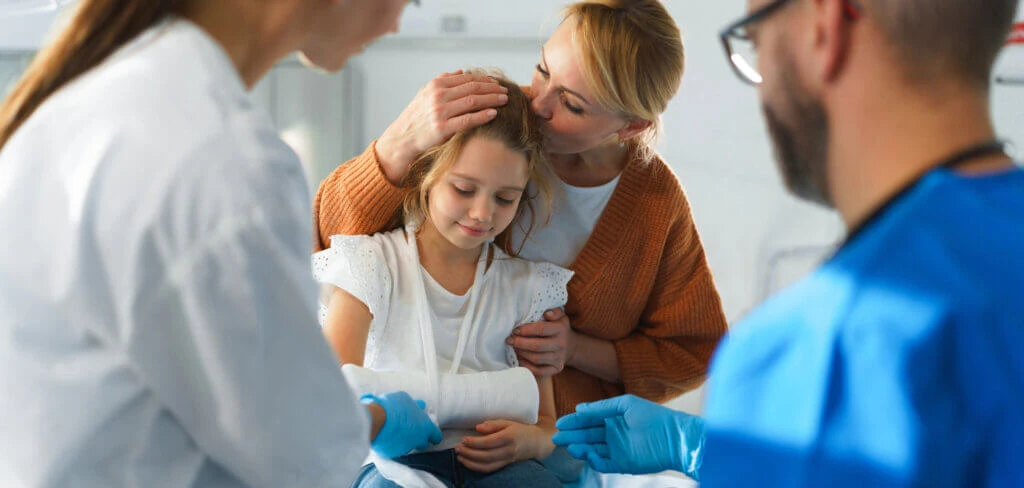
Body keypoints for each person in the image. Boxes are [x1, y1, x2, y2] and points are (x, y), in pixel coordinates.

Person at [553, 0, 1024, 486]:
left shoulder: (820, 355)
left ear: (826, 25)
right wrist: (707, 446)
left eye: (755, 41)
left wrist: (768, 429)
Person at [0, 0, 442, 486]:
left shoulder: (79, 107)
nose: (396, 21)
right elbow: (300, 455)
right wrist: (375, 421)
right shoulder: (225, 161)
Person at [312, 0, 729, 422]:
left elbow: (693, 352)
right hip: (423, 421)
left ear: (630, 126)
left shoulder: (655, 204)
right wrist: (397, 145)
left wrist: (574, 350)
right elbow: (329, 238)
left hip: (555, 442)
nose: (539, 105)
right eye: (543, 70)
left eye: (572, 104)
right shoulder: (487, 123)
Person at [314, 74, 566, 488]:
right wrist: (385, 419)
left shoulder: (528, 288)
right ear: (428, 172)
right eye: (464, 189)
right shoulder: (371, 265)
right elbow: (332, 394)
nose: (482, 213)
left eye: (506, 198)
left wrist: (529, 442)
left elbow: (546, 426)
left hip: (501, 470)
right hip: (393, 465)